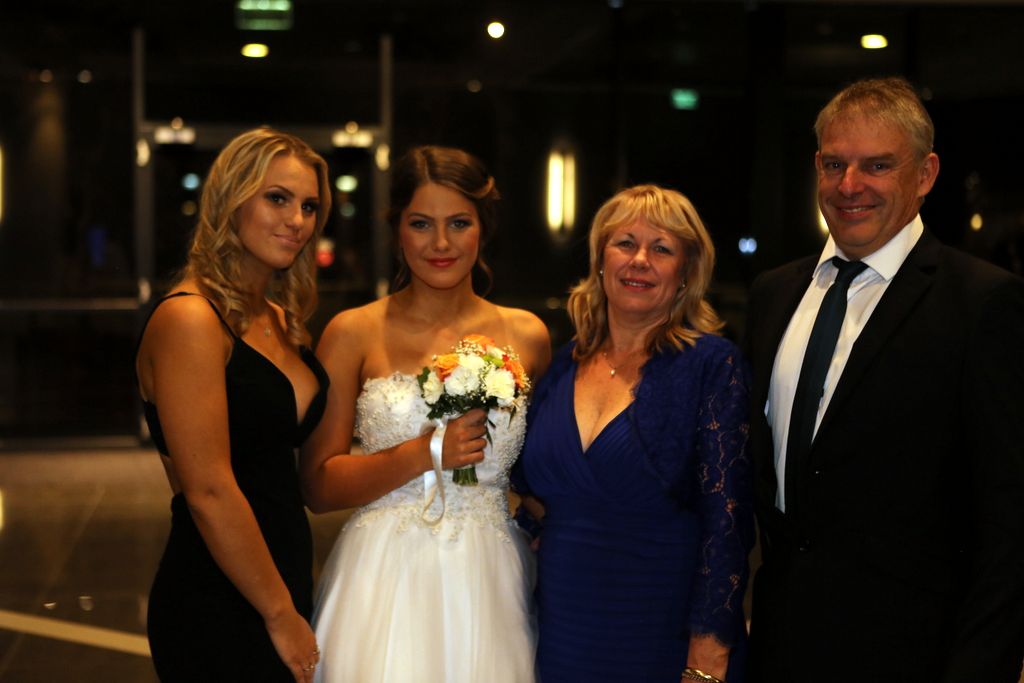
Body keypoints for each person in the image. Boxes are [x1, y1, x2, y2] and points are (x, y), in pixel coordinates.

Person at [744, 76, 1024, 682]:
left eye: (877, 165)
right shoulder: (773, 295)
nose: (850, 186)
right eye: (835, 164)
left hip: (917, 659)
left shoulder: (984, 303)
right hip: (779, 651)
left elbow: (1010, 524)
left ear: (925, 175)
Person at [301, 145, 551, 682]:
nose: (440, 243)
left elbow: (543, 470)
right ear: (398, 230)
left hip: (490, 577)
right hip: (381, 578)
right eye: (421, 224)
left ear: (482, 228)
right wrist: (426, 451)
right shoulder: (353, 332)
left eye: (459, 223)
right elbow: (318, 486)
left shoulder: (527, 335)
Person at [515, 184, 753, 683]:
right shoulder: (566, 362)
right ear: (601, 260)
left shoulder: (711, 365)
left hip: (659, 633)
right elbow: (527, 486)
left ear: (686, 272)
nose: (639, 260)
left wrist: (707, 657)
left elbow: (727, 525)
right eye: (625, 243)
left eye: (661, 249)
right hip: (562, 631)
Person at [135, 127, 332, 682]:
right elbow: (208, 490)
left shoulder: (280, 319)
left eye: (309, 206)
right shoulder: (190, 318)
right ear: (229, 201)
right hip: (219, 595)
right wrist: (279, 613)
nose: (297, 220)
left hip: (278, 575)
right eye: (277, 198)